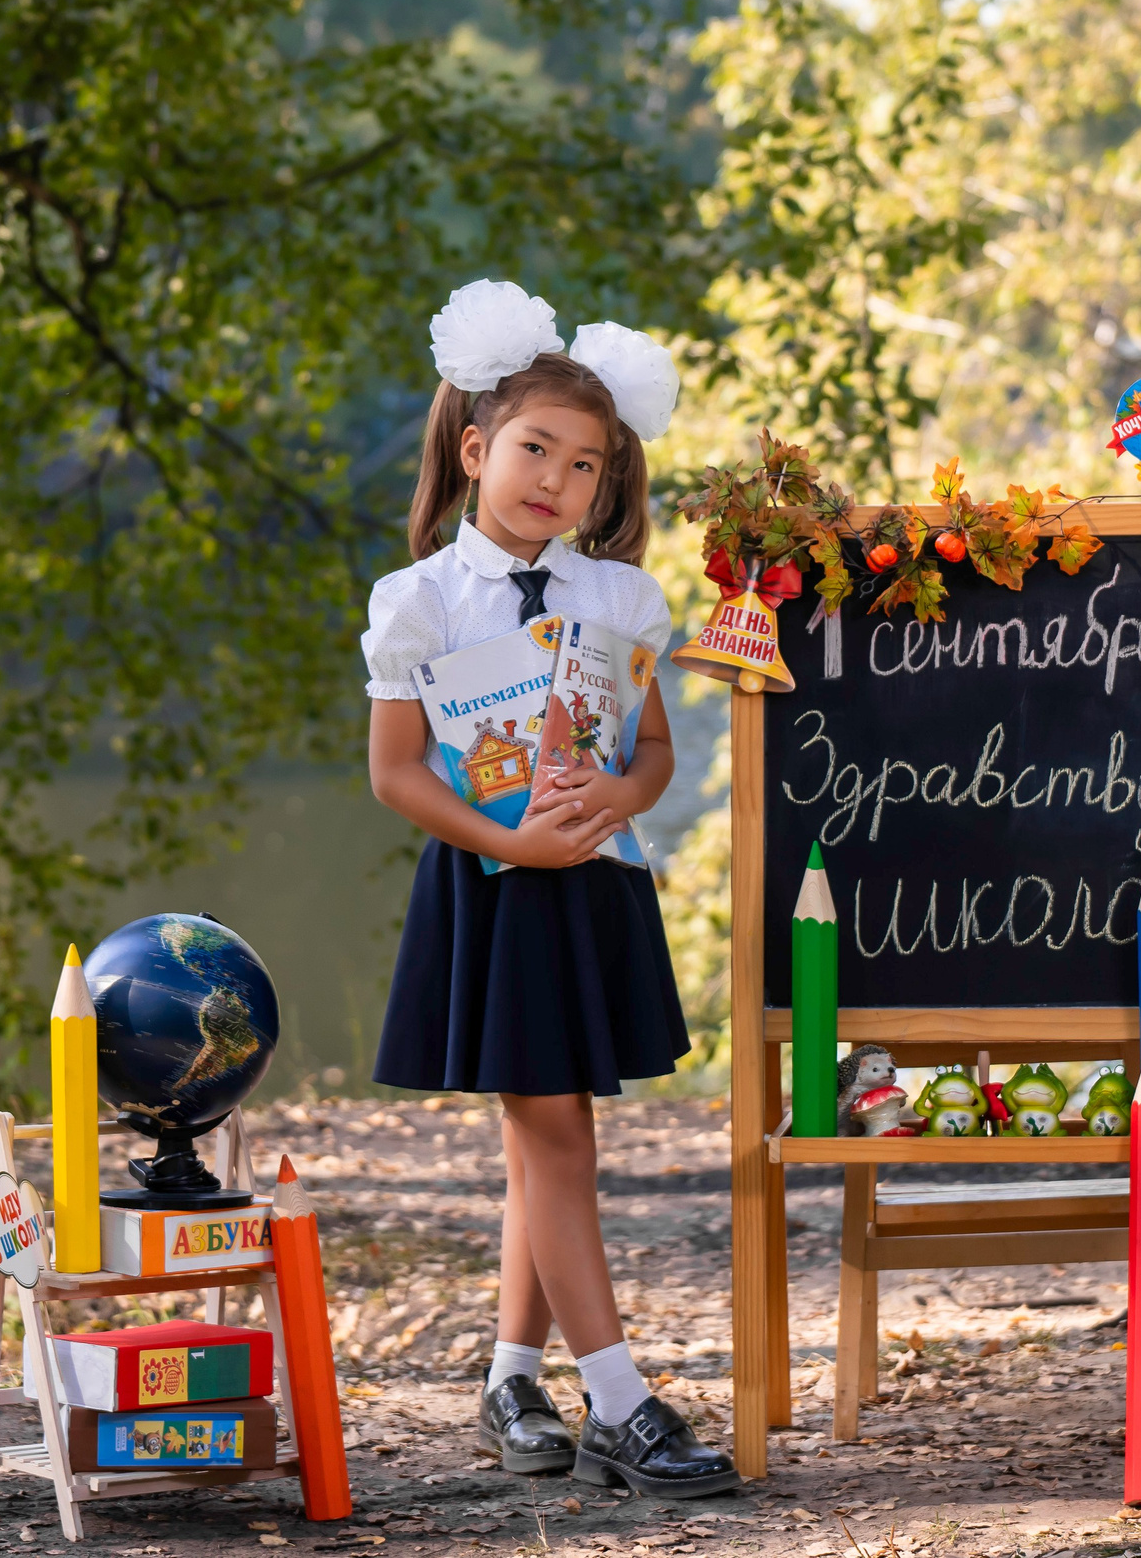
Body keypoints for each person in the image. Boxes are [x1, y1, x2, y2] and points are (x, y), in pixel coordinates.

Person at [360, 280, 738, 1499]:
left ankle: (511, 1378)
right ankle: (621, 1404)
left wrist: (615, 804)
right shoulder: (417, 600)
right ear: (475, 449)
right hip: (497, 888)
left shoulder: (617, 599)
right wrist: (508, 842)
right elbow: (395, 773)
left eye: (584, 466)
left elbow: (658, 757)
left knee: (551, 1141)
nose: (555, 481)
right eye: (534, 450)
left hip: (595, 888)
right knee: (554, 1133)